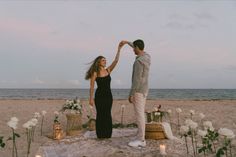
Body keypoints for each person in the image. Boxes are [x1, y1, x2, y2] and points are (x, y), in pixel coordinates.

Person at [85, 42, 124, 138]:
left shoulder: (108, 70)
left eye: (105, 60)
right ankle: (100, 134)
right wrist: (91, 99)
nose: (105, 62)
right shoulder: (95, 73)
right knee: (100, 114)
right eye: (103, 60)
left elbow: (116, 61)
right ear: (98, 62)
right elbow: (92, 86)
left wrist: (119, 49)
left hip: (108, 96)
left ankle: (108, 133)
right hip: (99, 96)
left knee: (107, 114)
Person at [122, 39, 151, 147]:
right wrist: (127, 43)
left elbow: (136, 80)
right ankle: (140, 135)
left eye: (134, 48)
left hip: (138, 90)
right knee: (141, 114)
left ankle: (141, 140)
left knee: (139, 115)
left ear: (138, 48)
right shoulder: (147, 57)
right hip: (144, 90)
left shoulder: (139, 61)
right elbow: (140, 47)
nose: (133, 49)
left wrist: (131, 94)